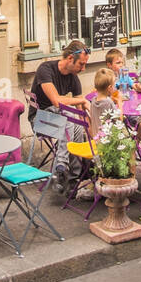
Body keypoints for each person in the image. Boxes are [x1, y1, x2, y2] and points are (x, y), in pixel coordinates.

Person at [29, 39, 90, 193]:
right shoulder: (45, 69)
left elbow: (80, 110)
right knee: (68, 118)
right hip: (39, 120)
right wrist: (81, 100)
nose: (83, 69)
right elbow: (56, 101)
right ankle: (70, 175)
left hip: (60, 121)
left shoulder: (73, 78)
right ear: (70, 58)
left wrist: (90, 128)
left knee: (74, 123)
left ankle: (65, 172)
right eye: (81, 64)